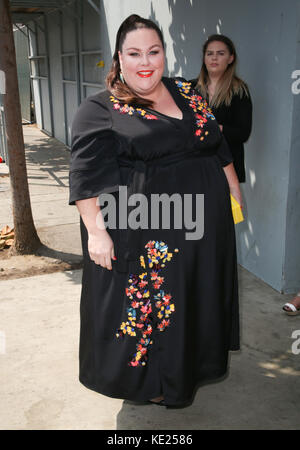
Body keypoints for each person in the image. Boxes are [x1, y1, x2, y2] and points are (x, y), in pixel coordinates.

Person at [69, 14, 241, 407]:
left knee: (196, 299)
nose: (145, 62)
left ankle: (187, 371)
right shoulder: (100, 108)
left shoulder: (187, 90)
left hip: (204, 228)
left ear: (165, 53)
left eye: (153, 51)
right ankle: (154, 385)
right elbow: (84, 175)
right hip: (148, 232)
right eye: (134, 53)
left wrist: (232, 187)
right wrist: (96, 231)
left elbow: (216, 142)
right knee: (151, 314)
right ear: (119, 57)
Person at [190, 34, 252, 183]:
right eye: (209, 53)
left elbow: (243, 133)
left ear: (231, 58)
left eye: (220, 53)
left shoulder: (239, 91)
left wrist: (217, 128)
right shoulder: (190, 88)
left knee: (225, 206)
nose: (214, 58)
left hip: (227, 167)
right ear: (204, 58)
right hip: (195, 164)